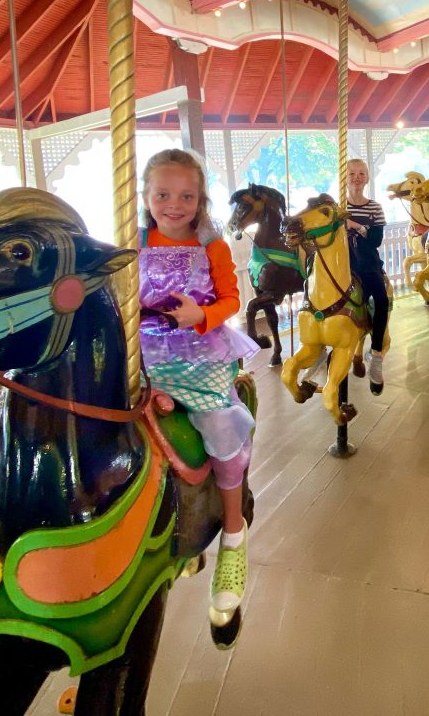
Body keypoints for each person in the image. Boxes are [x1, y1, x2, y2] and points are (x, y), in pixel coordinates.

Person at [138, 148, 259, 616]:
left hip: (198, 352)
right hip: (146, 353)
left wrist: (201, 314)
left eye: (186, 195)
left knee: (218, 428)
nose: (174, 204)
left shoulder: (212, 245)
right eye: (163, 194)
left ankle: (233, 533)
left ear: (200, 199)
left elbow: (231, 297)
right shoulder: (136, 239)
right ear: (147, 196)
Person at [343, 159, 390, 388]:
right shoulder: (337, 209)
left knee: (381, 300)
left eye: (362, 173)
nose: (357, 177)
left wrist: (355, 226)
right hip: (343, 265)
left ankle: (377, 353)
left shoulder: (374, 207)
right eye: (352, 173)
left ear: (367, 178)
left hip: (367, 263)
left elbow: (376, 240)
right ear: (345, 177)